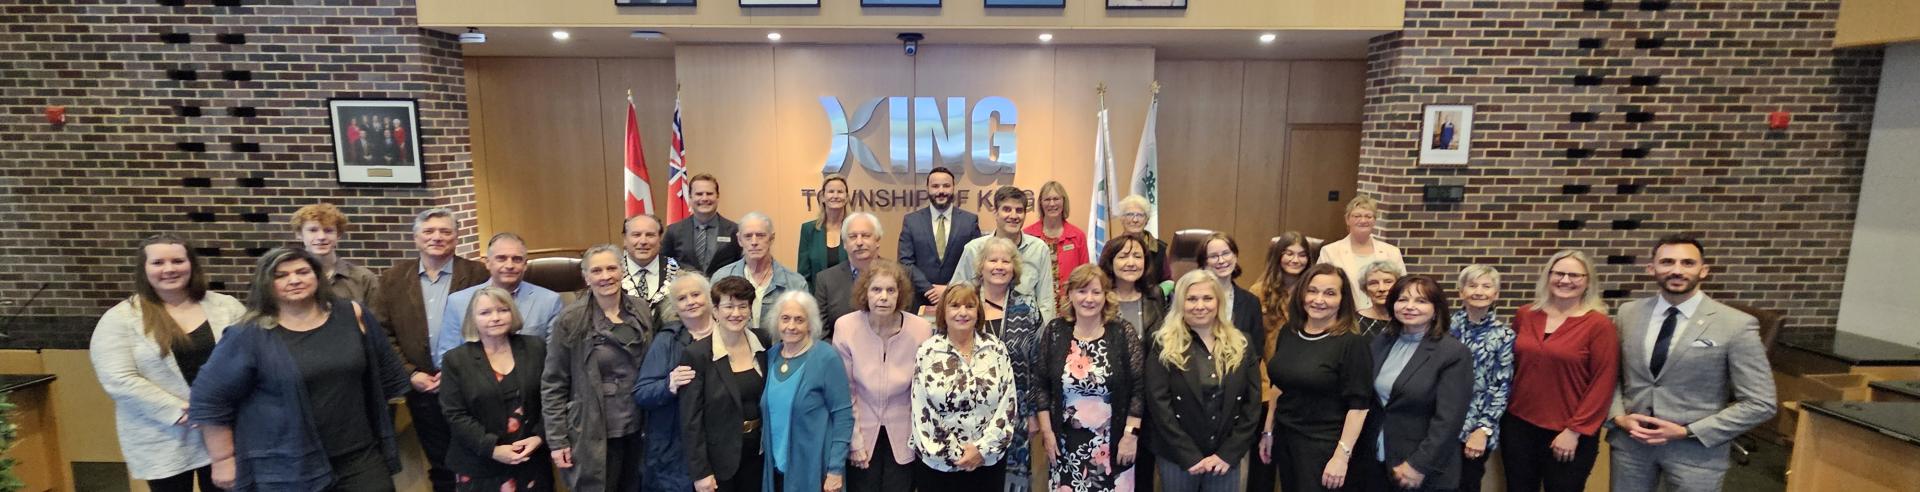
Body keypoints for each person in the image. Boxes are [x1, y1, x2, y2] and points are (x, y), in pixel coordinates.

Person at [191, 247, 411, 491]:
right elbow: (209, 400)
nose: (294, 280)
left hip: (359, 455)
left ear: (317, 276)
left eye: (302, 272)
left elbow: (386, 376)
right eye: (281, 275)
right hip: (289, 463)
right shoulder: (248, 335)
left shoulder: (352, 314)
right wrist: (223, 459)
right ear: (265, 283)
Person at [1607, 235, 1776, 492]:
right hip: (1631, 447)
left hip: (1695, 453)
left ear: (1703, 270)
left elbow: (1761, 403)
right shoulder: (1628, 313)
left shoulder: (1736, 325)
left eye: (1687, 263)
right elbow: (1611, 377)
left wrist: (1688, 431)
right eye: (1667, 262)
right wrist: (1618, 417)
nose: (1676, 270)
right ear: (1651, 268)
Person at [91, 234, 245, 492]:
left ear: (191, 265)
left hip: (226, 428)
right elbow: (118, 378)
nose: (169, 269)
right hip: (162, 434)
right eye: (158, 262)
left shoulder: (227, 307)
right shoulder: (119, 319)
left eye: (177, 261)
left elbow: (251, 359)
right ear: (144, 269)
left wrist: (218, 409)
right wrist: (182, 410)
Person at [373, 208, 488, 492]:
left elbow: (494, 326)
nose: (437, 237)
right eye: (429, 231)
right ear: (416, 238)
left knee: (480, 455)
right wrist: (410, 374)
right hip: (423, 387)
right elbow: (381, 334)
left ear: (457, 237)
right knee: (441, 462)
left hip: (471, 384)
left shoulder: (478, 274)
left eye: (445, 231)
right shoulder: (392, 279)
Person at [541, 245, 655, 492]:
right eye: (597, 270)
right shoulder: (570, 320)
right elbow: (553, 383)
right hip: (592, 429)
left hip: (638, 425)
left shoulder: (640, 309)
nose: (605, 276)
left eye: (612, 268)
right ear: (586, 277)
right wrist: (557, 439)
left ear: (622, 270)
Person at [1504, 250, 1618, 492]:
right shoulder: (1526, 315)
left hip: (1568, 431)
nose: (1565, 280)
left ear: (1588, 281)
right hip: (1518, 426)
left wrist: (1575, 431)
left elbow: (1603, 383)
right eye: (1559, 273)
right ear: (1548, 276)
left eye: (1575, 275)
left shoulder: (1598, 325)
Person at [1259, 263, 1374, 492]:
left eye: (1329, 293)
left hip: (1324, 446)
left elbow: (1359, 406)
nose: (1318, 299)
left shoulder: (1352, 343)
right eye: (1312, 291)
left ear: (1343, 299)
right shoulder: (1289, 332)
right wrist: (1268, 430)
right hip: (1286, 437)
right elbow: (1278, 386)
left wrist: (1341, 456)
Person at [1147, 270, 1262, 492]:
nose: (1200, 305)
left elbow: (1252, 403)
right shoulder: (1163, 343)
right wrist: (1188, 455)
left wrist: (1228, 454)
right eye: (1191, 299)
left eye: (1207, 298)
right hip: (1177, 456)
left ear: (1218, 301)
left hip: (1226, 457)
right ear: (1180, 303)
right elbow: (1159, 405)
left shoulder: (1242, 343)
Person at [1036, 264, 1145, 492]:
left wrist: (1130, 436)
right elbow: (1041, 387)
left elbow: (1138, 389)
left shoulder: (1122, 332)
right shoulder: (1056, 331)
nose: (1089, 299)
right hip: (1065, 446)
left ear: (1106, 296)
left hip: (1113, 445)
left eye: (1096, 292)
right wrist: (1047, 433)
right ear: (1070, 294)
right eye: (1082, 291)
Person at [1359, 276, 1472, 492]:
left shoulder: (1453, 353)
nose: (1410, 307)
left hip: (1420, 469)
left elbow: (1449, 421)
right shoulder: (1382, 341)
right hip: (1376, 461)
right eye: (1402, 299)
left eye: (1421, 301)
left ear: (1436, 309)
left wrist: (1419, 465)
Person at [833, 260, 935, 492]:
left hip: (905, 434)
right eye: (876, 290)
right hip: (861, 431)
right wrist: (854, 441)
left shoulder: (921, 329)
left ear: (900, 295)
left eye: (891, 290)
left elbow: (922, 392)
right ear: (865, 293)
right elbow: (845, 392)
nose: (883, 297)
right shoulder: (846, 327)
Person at [439, 287, 554, 492]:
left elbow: (551, 399)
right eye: (485, 313)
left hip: (531, 460)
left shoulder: (536, 347)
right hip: (479, 464)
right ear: (472, 319)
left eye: (502, 310)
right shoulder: (455, 360)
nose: (495, 318)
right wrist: (492, 449)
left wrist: (539, 436)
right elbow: (455, 414)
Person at [911, 284, 1018, 492]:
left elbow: (1008, 404)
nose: (962, 312)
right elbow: (922, 409)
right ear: (943, 312)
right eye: (954, 306)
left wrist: (981, 449)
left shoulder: (996, 348)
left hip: (987, 461)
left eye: (969, 306)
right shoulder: (928, 351)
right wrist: (955, 454)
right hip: (939, 465)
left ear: (978, 312)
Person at [681, 276, 774, 492]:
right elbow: (690, 421)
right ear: (715, 311)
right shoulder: (696, 354)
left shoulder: (763, 342)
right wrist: (701, 472)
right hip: (719, 462)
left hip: (759, 454)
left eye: (743, 306)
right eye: (729, 306)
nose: (736, 313)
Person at [968, 236, 1044, 491]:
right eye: (993, 260)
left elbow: (1037, 363)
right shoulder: (965, 302)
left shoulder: (1027, 305)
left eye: (1006, 261)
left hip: (1016, 412)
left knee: (1013, 479)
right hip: (971, 412)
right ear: (981, 266)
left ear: (1014, 268)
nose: (999, 266)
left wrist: (1033, 413)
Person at [762, 292, 855, 492]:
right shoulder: (770, 357)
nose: (791, 326)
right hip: (776, 468)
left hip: (815, 470)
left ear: (810, 324)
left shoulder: (826, 357)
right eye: (785, 318)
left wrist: (835, 470)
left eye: (799, 320)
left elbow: (843, 416)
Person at [1246, 231, 1317, 492]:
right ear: (1278, 256)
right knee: (1263, 460)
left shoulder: (1314, 293)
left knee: (1295, 461)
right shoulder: (1259, 291)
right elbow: (1255, 344)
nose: (1295, 259)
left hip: (1303, 383)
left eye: (1301, 254)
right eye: (1289, 253)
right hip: (1267, 382)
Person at [1099, 233, 1169, 489]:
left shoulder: (1155, 296)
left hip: (1145, 405)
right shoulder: (1097, 297)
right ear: (1110, 261)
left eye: (1137, 256)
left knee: (1141, 477)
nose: (1131, 262)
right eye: (1123, 256)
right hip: (1103, 405)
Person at [435, 233, 564, 367]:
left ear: (525, 265)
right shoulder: (458, 302)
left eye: (517, 259)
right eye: (501, 258)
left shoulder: (549, 301)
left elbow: (556, 358)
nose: (509, 265)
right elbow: (446, 359)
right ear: (487, 263)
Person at [633, 273, 712, 492]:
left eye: (696, 294)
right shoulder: (666, 340)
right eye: (682, 298)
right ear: (674, 307)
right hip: (675, 452)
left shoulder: (729, 334)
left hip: (721, 445)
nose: (690, 302)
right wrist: (669, 384)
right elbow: (642, 393)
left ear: (709, 297)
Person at [1448, 265, 1514, 492]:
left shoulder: (1504, 335)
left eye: (1487, 286)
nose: (1479, 291)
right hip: (1438, 423)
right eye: (1472, 285)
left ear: (1495, 294)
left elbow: (1501, 386)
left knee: (1467, 484)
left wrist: (1482, 430)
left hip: (1475, 427)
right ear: (1461, 292)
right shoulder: (1443, 328)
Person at [951, 185, 1058, 323]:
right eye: (1007, 209)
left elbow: (1046, 302)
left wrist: (1044, 339)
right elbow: (955, 295)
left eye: (1019, 210)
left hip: (1026, 335)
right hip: (980, 332)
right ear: (996, 213)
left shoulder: (1039, 249)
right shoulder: (973, 249)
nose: (1013, 216)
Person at [813, 212, 933, 330]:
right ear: (844, 243)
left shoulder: (903, 274)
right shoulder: (826, 280)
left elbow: (908, 325)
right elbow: (821, 332)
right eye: (853, 237)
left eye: (865, 235)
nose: (859, 242)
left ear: (877, 241)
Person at [898, 167, 981, 307]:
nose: (941, 191)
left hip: (959, 300)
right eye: (935, 186)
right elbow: (905, 262)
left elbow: (975, 262)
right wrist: (929, 289)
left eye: (946, 186)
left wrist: (950, 288)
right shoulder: (911, 221)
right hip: (920, 299)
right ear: (927, 189)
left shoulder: (969, 221)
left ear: (953, 188)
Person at [713, 212, 810, 330]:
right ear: (739, 240)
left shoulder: (794, 283)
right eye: (748, 236)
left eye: (760, 235)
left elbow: (804, 327)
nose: (754, 242)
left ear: (771, 238)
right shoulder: (721, 278)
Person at [1317, 196, 1406, 311]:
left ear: (1374, 221)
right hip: (1345, 315)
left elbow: (1402, 287)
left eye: (1368, 216)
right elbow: (1322, 285)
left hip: (1384, 314)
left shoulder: (1392, 252)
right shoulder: (1330, 251)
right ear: (1347, 220)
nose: (1363, 220)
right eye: (1357, 216)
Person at [1195, 232, 1268, 366]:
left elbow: (1255, 351)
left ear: (1235, 256)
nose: (1221, 260)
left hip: (1236, 376)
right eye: (1213, 256)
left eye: (1226, 253)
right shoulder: (1191, 298)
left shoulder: (1251, 302)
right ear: (1204, 262)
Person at [292, 203, 378, 306]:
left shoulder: (363, 278)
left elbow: (375, 320)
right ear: (299, 234)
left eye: (328, 230)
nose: (321, 237)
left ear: (339, 235)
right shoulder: (288, 279)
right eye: (313, 230)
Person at [663, 174, 744, 275]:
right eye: (699, 194)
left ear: (717, 196)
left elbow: (742, 265)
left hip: (723, 289)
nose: (704, 198)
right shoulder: (673, 231)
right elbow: (664, 264)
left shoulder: (734, 230)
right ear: (690, 197)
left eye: (709, 193)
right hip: (687, 289)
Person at [1026, 181, 1090, 306]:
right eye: (1047, 199)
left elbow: (1085, 275)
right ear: (1040, 203)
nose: (1052, 204)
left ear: (1063, 202)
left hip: (1069, 305)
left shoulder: (1077, 236)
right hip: (1035, 305)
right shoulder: (1028, 235)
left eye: (1056, 199)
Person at [623, 213, 686, 326]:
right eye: (636, 235)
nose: (643, 241)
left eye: (650, 235)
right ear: (625, 239)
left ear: (660, 238)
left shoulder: (681, 273)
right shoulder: (609, 275)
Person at [799, 176, 852, 283]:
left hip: (850, 297)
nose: (835, 196)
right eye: (831, 191)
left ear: (846, 198)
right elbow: (803, 276)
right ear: (822, 197)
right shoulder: (808, 230)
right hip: (816, 297)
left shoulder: (854, 229)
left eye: (840, 192)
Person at [1116, 195, 1171, 287]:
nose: (1135, 220)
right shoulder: (1112, 247)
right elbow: (1104, 279)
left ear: (1147, 220)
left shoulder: (1158, 247)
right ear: (1122, 219)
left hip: (1151, 299)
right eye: (1129, 214)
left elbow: (1167, 280)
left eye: (1140, 215)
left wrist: (1157, 295)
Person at [1356, 260, 1406, 337]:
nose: (1381, 288)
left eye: (1388, 282)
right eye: (1373, 283)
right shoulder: (1354, 322)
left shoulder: (1408, 319)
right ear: (1365, 289)